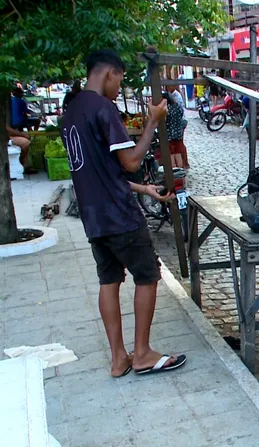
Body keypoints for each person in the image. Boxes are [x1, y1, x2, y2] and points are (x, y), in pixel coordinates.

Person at [61, 49, 186, 377]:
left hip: (93, 217)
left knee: (109, 279)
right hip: (119, 215)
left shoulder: (71, 111)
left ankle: (119, 358)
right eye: (120, 81)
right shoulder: (102, 108)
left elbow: (98, 172)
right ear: (109, 74)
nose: (120, 89)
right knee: (147, 275)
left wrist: (143, 189)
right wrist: (152, 123)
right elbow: (130, 162)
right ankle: (142, 353)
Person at [164, 91, 189, 169]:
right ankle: (180, 170)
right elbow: (181, 115)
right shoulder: (177, 106)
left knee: (171, 153)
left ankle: (174, 171)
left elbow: (165, 120)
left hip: (169, 133)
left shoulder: (166, 108)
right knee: (178, 152)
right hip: (178, 132)